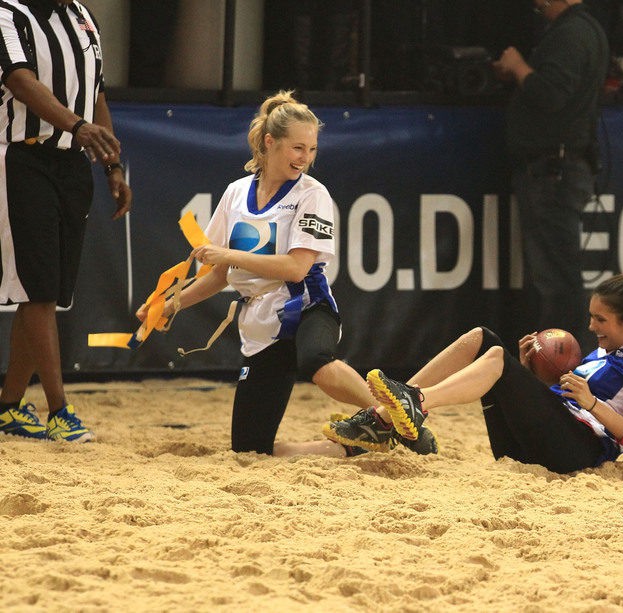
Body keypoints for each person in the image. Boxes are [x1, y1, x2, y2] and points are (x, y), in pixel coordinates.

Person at [137, 91, 436, 457]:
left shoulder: (313, 195)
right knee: (250, 449)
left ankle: (397, 415)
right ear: (269, 142)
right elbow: (217, 277)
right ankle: (353, 448)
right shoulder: (235, 194)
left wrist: (230, 254)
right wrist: (168, 306)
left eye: (311, 149)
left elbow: (296, 268)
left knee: (316, 361)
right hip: (261, 324)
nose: (305, 158)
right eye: (297, 148)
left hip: (307, 305)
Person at [324, 274, 623, 474]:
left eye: (600, 320)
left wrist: (592, 403)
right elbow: (562, 403)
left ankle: (416, 402)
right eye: (592, 316)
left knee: (493, 355)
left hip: (578, 454)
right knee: (482, 338)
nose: (590, 326)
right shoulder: (602, 353)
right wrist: (528, 378)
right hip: (539, 447)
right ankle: (385, 418)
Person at [0, 0, 132, 443]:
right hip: (22, 157)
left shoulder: (83, 15)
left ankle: (8, 405)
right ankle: (59, 409)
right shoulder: (9, 13)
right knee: (37, 287)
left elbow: (96, 92)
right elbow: (19, 80)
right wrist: (77, 126)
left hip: (73, 163)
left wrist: (113, 165)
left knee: (48, 292)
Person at [492, 0, 609, 346]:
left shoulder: (570, 33)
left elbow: (551, 93)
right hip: (558, 168)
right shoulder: (585, 29)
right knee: (557, 277)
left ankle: (566, 364)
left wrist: (517, 67)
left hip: (552, 172)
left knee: (558, 282)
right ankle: (562, 361)